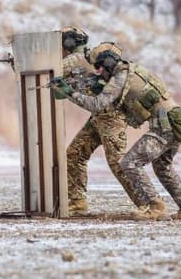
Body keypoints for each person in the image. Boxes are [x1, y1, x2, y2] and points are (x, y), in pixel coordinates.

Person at [55, 44, 181, 220]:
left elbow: (97, 104)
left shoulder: (120, 77)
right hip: (178, 123)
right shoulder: (133, 70)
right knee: (163, 167)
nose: (100, 73)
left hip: (165, 127)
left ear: (108, 63)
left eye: (100, 68)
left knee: (130, 163)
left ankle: (155, 206)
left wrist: (69, 92)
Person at [55, 28, 137, 215]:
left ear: (69, 43)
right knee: (74, 154)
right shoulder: (87, 57)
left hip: (110, 117)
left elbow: (49, 71)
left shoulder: (74, 59)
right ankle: (77, 202)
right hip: (100, 117)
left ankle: (149, 204)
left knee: (118, 164)